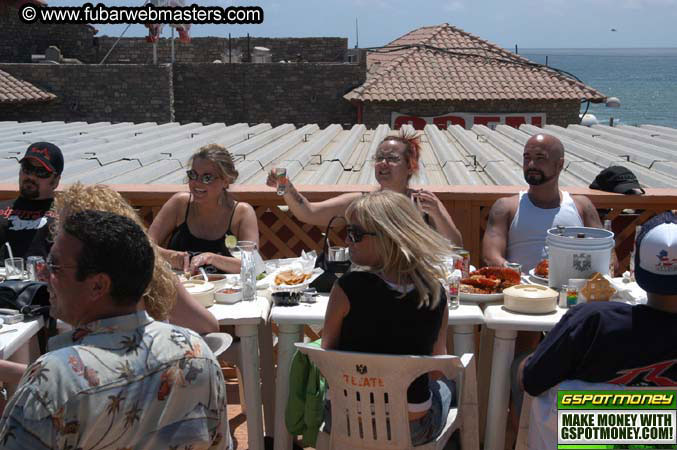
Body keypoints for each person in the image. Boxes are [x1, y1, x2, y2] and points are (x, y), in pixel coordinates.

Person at [0, 210, 231, 449]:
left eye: (54, 266)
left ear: (98, 285)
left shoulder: (55, 378)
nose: (44, 275)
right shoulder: (195, 351)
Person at [0, 184, 218, 388]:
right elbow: (208, 326)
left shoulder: (81, 295)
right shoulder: (154, 275)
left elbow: (69, 382)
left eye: (68, 229)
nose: (59, 235)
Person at [514, 211, 677, 446]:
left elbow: (530, 381)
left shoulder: (593, 322)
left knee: (518, 365)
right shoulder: (593, 320)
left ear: (637, 270)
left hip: (585, 441)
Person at [321, 191, 455, 446]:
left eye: (356, 234)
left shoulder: (346, 289)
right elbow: (436, 370)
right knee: (450, 388)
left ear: (388, 238)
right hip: (410, 428)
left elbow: (328, 356)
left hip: (346, 421)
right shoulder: (435, 294)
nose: (348, 240)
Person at [266, 131, 463, 246]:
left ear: (410, 166)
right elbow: (308, 213)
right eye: (379, 158)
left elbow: (456, 246)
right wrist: (285, 186)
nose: (383, 163)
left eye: (392, 159)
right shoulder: (360, 202)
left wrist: (437, 214)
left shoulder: (424, 203)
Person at [482, 133, 604, 273]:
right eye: (527, 158)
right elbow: (491, 256)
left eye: (540, 158)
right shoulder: (506, 207)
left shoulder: (582, 206)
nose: (531, 164)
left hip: (571, 290)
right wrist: (519, 276)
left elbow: (607, 253)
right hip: (522, 290)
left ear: (560, 164)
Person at [149, 144, 259, 274]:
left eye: (207, 178)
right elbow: (145, 245)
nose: (197, 182)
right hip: (180, 290)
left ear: (226, 181)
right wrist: (169, 256)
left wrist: (211, 258)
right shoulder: (179, 204)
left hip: (227, 292)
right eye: (193, 175)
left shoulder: (242, 213)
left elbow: (251, 263)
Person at [0, 142, 63, 260]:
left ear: (56, 181)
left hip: (42, 277)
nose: (31, 177)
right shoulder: (1, 209)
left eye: (41, 172)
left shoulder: (65, 216)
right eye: (27, 168)